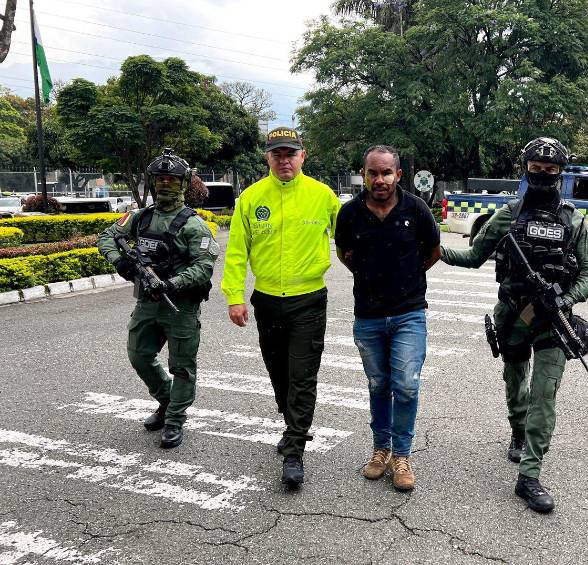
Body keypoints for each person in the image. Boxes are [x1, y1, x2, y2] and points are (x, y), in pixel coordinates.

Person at [440, 137, 588, 513]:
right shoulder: (508, 214)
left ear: (561, 173)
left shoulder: (574, 221)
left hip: (552, 320)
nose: (543, 176)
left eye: (551, 171)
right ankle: (517, 429)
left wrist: (565, 299)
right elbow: (475, 255)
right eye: (536, 170)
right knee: (515, 382)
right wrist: (432, 250)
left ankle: (529, 475)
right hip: (512, 315)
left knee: (544, 393)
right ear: (525, 169)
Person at [221, 127, 340, 489]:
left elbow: (352, 238)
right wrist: (234, 296)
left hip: (309, 301)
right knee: (279, 375)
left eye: (291, 153)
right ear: (267, 158)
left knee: (302, 375)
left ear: (303, 156)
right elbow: (237, 251)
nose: (284, 160)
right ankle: (294, 425)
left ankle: (294, 451)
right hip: (268, 302)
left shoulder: (323, 196)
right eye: (277, 154)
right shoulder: (251, 198)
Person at [335, 145, 440, 492]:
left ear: (398, 174)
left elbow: (433, 252)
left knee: (406, 385)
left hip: (409, 312)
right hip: (367, 316)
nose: (379, 179)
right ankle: (380, 449)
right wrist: (368, 275)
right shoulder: (349, 214)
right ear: (364, 174)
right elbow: (344, 253)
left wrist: (406, 277)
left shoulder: (417, 209)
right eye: (372, 173)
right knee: (378, 385)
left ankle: (402, 455)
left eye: (386, 173)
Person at [98, 149, 219, 449]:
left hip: (180, 306)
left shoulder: (193, 225)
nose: (165, 184)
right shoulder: (141, 217)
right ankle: (166, 401)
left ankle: (175, 419)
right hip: (146, 303)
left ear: (183, 184)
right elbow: (106, 237)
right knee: (138, 354)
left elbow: (204, 266)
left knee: (182, 366)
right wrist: (121, 263)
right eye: (160, 179)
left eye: (172, 179)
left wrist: (171, 283)